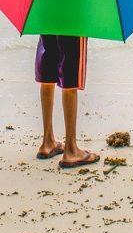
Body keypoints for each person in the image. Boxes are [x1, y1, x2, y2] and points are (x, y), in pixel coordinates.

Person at [34, 34, 100, 168]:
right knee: (70, 76)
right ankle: (71, 150)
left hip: (47, 15)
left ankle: (48, 142)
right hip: (73, 19)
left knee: (48, 71)